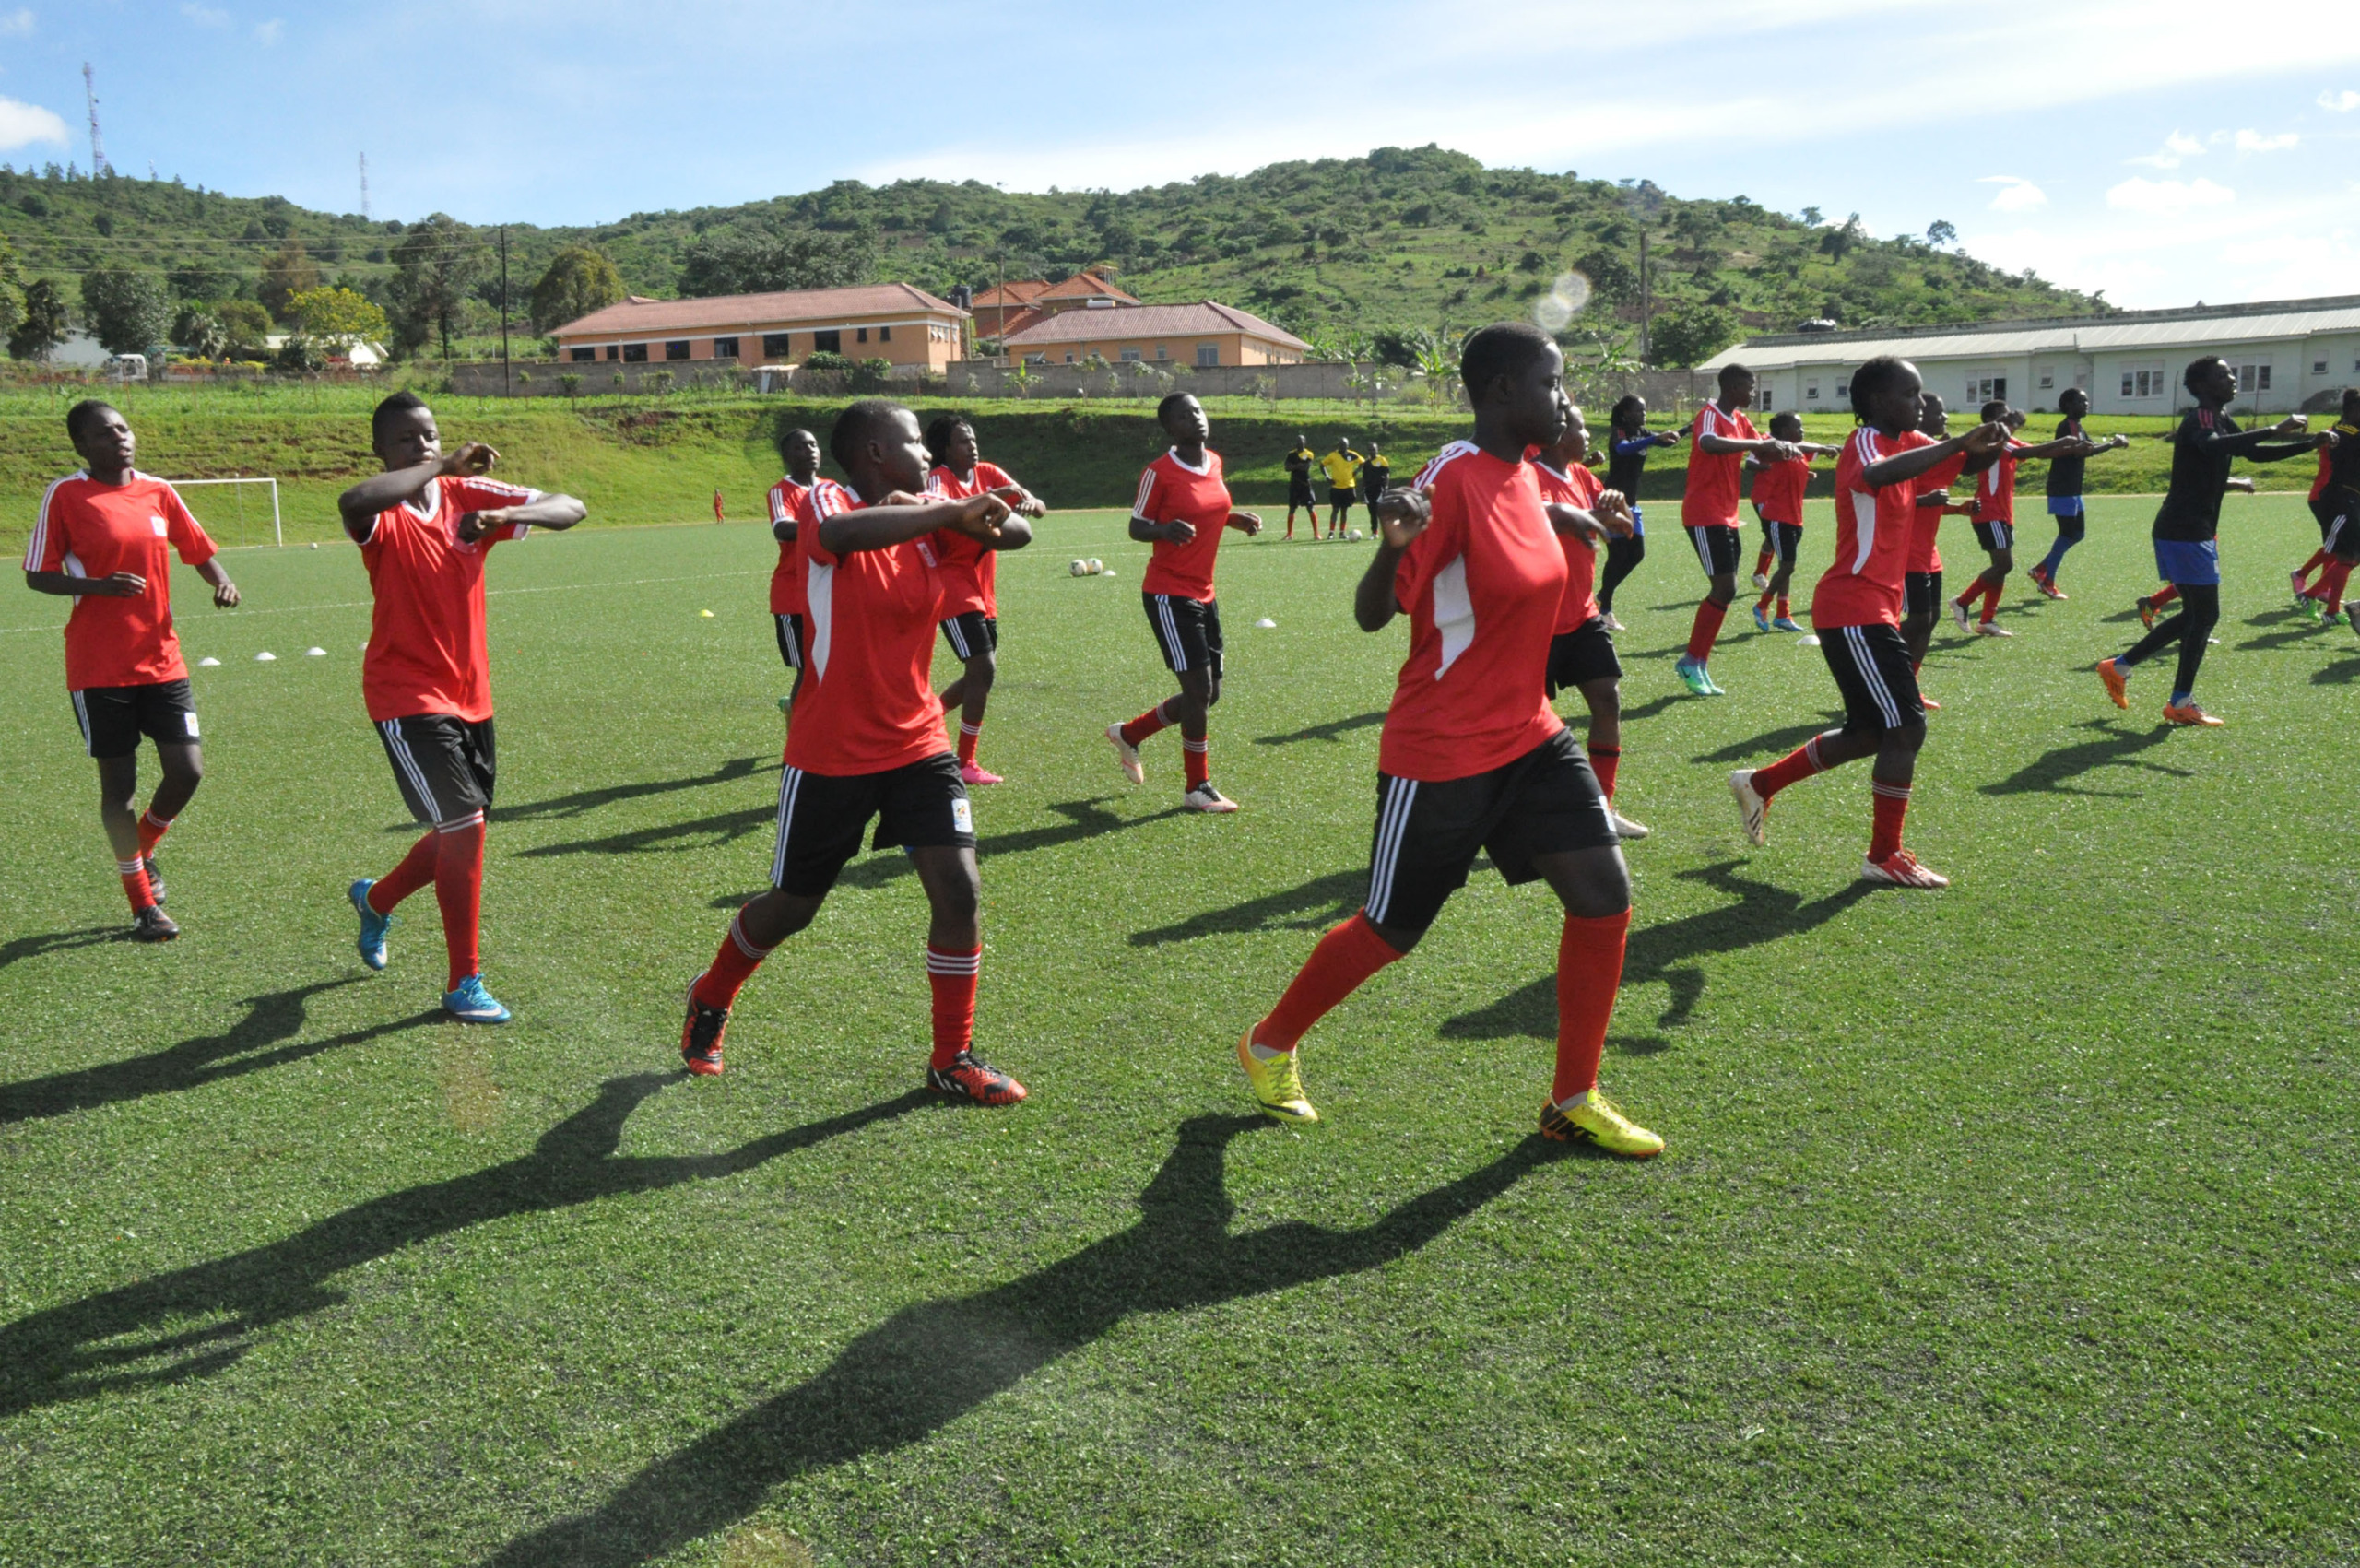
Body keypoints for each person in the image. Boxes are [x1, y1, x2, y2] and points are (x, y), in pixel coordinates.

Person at [1234, 321, 1660, 1156]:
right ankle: (1270, 1041)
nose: (1565, 399)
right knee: (1390, 929)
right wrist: (1392, 545)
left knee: (1605, 897)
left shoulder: (1526, 476)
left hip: (1532, 735)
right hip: (1443, 750)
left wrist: (1568, 517)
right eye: (1553, 382)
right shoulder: (1446, 477)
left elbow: (1514, 505)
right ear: (1503, 390)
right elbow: (1371, 613)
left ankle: (1573, 1096)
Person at [678, 399, 1032, 1103]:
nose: (928, 455)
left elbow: (1014, 533)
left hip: (919, 741)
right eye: (912, 442)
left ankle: (950, 1057)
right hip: (830, 750)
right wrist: (941, 510)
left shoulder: (932, 516)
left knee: (960, 890)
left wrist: (969, 510)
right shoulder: (824, 500)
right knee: (793, 906)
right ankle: (712, 993)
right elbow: (840, 532)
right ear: (874, 451)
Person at [340, 392, 586, 1023]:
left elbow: (571, 506)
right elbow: (354, 503)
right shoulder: (384, 510)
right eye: (406, 440)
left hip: (471, 693)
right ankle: (463, 982)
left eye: (428, 435)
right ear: (382, 450)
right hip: (405, 693)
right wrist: (443, 465)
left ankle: (378, 900)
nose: (420, 445)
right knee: (466, 827)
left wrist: (500, 513)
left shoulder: (464, 499)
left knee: (460, 831)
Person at [1728, 358, 2009, 890]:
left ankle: (1759, 783)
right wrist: (1956, 443)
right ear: (1879, 401)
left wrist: (1987, 443)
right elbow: (1879, 475)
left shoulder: (1906, 444)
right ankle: (1884, 855)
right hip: (1854, 607)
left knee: (1868, 734)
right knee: (1906, 728)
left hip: (1870, 608)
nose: (1920, 404)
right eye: (1911, 394)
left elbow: (1956, 466)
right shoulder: (1866, 444)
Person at [22, 400, 241, 943]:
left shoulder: (159, 491)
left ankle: (141, 849)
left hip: (162, 659)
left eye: (124, 428)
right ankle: (144, 906)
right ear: (82, 446)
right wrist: (99, 587)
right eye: (105, 432)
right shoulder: (66, 495)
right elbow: (37, 576)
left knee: (187, 772)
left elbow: (197, 547)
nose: (120, 438)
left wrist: (221, 579)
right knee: (118, 790)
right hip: (99, 669)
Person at [2097, 359, 2321, 725]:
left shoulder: (2219, 417)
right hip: (2184, 529)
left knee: (2196, 614)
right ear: (2201, 385)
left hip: (2189, 528)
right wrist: (2274, 426)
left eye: (2231, 373)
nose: (2232, 378)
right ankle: (2178, 701)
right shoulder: (2201, 417)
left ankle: (2120, 668)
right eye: (2222, 374)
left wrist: (2309, 444)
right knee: (2205, 615)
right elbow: (2214, 447)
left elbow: (2253, 453)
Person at [1106, 394, 1263, 813]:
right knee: (1197, 690)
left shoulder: (1213, 462)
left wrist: (1233, 517)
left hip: (1204, 591)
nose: (1195, 417)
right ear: (1170, 428)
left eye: (1198, 410)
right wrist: (1162, 529)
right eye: (1184, 415)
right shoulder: (1158, 472)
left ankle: (1130, 734)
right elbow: (1136, 526)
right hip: (1168, 593)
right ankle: (1197, 787)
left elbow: (1207, 506)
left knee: (1208, 696)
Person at [1534, 405, 1647, 840]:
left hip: (1582, 613)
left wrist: (1616, 511)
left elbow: (1619, 530)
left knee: (1607, 700)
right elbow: (1535, 525)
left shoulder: (1583, 478)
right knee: (1530, 724)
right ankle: (1525, 812)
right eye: (1583, 428)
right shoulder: (1527, 477)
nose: (1588, 437)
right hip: (1537, 621)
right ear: (1561, 433)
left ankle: (1601, 805)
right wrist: (1594, 521)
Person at [925, 415, 1046, 786]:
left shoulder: (989, 472)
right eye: (963, 441)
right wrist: (990, 504)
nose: (972, 446)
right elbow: (943, 514)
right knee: (984, 667)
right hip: (950, 584)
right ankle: (965, 761)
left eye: (973, 439)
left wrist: (1028, 505)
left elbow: (1037, 505)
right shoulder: (938, 480)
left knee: (979, 672)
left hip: (982, 587)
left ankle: (924, 719)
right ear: (945, 449)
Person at [1675, 364, 1801, 695]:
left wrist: (1785, 448)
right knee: (1725, 587)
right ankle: (1692, 661)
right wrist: (1752, 444)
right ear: (1732, 387)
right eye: (1749, 386)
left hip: (1727, 514)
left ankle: (1698, 662)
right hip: (1704, 513)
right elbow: (1707, 443)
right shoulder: (1710, 414)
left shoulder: (1741, 421)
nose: (1753, 392)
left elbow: (1762, 448)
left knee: (1727, 589)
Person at [1948, 402, 2100, 638]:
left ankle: (1987, 620)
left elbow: (2040, 451)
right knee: (2004, 565)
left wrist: (2072, 448)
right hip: (1989, 512)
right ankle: (1963, 601)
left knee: (2001, 568)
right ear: (1990, 422)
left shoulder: (2006, 441)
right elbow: (2030, 453)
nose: (2009, 421)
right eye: (2003, 417)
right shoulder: (1991, 442)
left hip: (2003, 512)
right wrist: (2065, 442)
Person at [1899, 394, 1984, 706]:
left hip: (1927, 552)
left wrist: (1954, 509)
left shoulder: (1935, 454)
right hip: (1904, 552)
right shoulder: (1907, 450)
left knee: (1930, 618)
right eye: (1939, 413)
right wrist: (1927, 501)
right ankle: (1886, 673)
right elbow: (1887, 500)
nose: (1945, 418)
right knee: (1918, 618)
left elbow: (1931, 497)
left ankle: (1909, 687)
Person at [2026, 387, 2128, 599]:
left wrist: (2112, 444)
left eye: (2086, 401)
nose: (2086, 404)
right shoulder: (2067, 425)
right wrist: (2113, 444)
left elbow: (2089, 448)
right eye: (2081, 402)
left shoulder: (2078, 426)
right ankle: (2048, 582)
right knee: (2067, 534)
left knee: (2077, 533)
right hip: (2062, 488)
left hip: (2072, 489)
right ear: (2069, 405)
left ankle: (2040, 569)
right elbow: (2083, 450)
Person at [1745, 412, 1838, 632]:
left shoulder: (1797, 453)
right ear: (1786, 431)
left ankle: (1782, 615)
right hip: (1778, 516)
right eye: (1799, 426)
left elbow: (1797, 458)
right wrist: (1823, 448)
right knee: (1787, 565)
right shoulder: (1776, 449)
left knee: (1785, 568)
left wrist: (1808, 472)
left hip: (1794, 516)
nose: (1803, 430)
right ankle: (1762, 605)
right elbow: (1767, 455)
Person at [1595, 395, 1682, 631]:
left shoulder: (1643, 432)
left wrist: (1689, 429)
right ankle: (1605, 611)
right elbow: (1623, 450)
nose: (1643, 414)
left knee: (1636, 554)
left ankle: (1604, 594)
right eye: (1638, 410)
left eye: (1644, 410)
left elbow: (1666, 442)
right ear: (1625, 413)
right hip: (1613, 503)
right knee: (1617, 557)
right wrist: (1654, 438)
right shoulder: (1619, 433)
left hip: (1632, 505)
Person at [767, 424, 820, 736]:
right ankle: (801, 737)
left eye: (813, 444)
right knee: (808, 668)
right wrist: (824, 525)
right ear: (787, 456)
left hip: (826, 593)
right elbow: (782, 528)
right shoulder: (782, 491)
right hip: (793, 596)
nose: (810, 451)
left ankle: (807, 717)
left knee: (830, 664)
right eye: (801, 446)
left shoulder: (830, 489)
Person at [2291, 388, 2360, 624]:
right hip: (2338, 498)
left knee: (2349, 555)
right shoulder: (2344, 433)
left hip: (2349, 498)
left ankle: (2314, 597)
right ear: (2352, 410)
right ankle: (2326, 607)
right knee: (2345, 554)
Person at [1321, 439, 1363, 537]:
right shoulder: (1333, 455)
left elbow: (1363, 462)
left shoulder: (1352, 455)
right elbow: (1322, 465)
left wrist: (1356, 471)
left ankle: (1342, 532)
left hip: (1348, 486)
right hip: (1336, 487)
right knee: (1335, 509)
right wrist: (1327, 477)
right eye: (1341, 445)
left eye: (1345, 445)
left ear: (1348, 445)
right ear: (1338, 445)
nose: (1343, 447)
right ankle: (1331, 532)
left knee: (1344, 511)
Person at [1282, 434, 1319, 539]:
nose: (1300, 443)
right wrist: (1297, 466)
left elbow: (1305, 467)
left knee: (1310, 507)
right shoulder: (1291, 454)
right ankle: (1289, 534)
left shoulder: (1309, 454)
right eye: (1298, 441)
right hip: (1294, 484)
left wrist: (1294, 466)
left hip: (1305, 485)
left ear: (1305, 442)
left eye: (1302, 441)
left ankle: (1316, 534)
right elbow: (1286, 468)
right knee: (1292, 508)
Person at [1358, 440, 1391, 520]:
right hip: (1369, 490)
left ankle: (1384, 529)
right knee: (1372, 511)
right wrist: (1363, 489)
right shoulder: (1366, 462)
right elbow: (1364, 477)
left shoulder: (1382, 460)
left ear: (1377, 450)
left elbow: (1387, 474)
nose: (1372, 451)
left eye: (1373, 449)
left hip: (1379, 489)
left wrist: (1386, 487)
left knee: (1379, 510)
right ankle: (1374, 531)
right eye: (1370, 449)